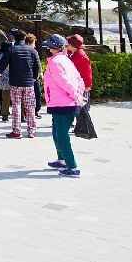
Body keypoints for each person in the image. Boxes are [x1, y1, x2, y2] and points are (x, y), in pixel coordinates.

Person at [43, 34, 85, 177]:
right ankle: (62, 159)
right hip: (61, 101)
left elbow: (64, 82)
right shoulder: (65, 60)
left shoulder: (56, 62)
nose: (48, 48)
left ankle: (72, 166)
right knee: (57, 132)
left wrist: (76, 96)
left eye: (50, 45)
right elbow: (79, 79)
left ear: (55, 47)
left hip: (63, 103)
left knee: (61, 135)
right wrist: (79, 94)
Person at [0, 29, 39, 139]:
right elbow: (37, 66)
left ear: (15, 39)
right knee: (30, 107)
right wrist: (33, 78)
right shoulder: (32, 50)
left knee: (16, 107)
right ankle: (31, 131)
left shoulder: (12, 49)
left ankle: (17, 131)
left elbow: (3, 63)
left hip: (15, 83)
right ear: (25, 38)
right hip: (29, 83)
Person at [67, 34, 93, 113]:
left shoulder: (80, 56)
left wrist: (88, 85)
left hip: (83, 86)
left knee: (82, 109)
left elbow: (87, 72)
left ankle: (84, 124)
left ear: (72, 45)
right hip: (79, 85)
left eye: (68, 44)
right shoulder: (75, 53)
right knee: (79, 107)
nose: (66, 45)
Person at [26, 34, 44, 118]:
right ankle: (33, 111)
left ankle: (33, 110)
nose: (35, 45)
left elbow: (38, 63)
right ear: (30, 43)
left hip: (29, 77)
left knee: (34, 94)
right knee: (35, 94)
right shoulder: (32, 51)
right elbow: (38, 64)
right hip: (31, 77)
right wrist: (40, 73)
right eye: (34, 43)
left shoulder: (31, 51)